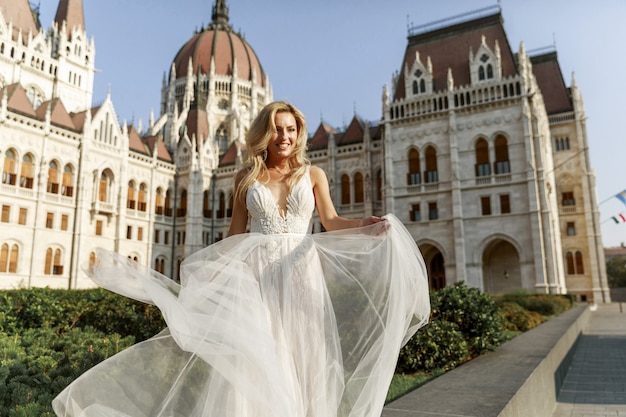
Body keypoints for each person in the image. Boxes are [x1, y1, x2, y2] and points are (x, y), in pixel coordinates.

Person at [53, 101, 430, 417]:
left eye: (290, 129)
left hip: (302, 276)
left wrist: (366, 225)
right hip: (260, 278)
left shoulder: (313, 174)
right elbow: (235, 236)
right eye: (277, 129)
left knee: (307, 359)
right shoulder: (245, 177)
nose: (284, 136)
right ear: (265, 133)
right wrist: (212, 279)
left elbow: (331, 222)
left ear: (298, 134)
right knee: (265, 362)